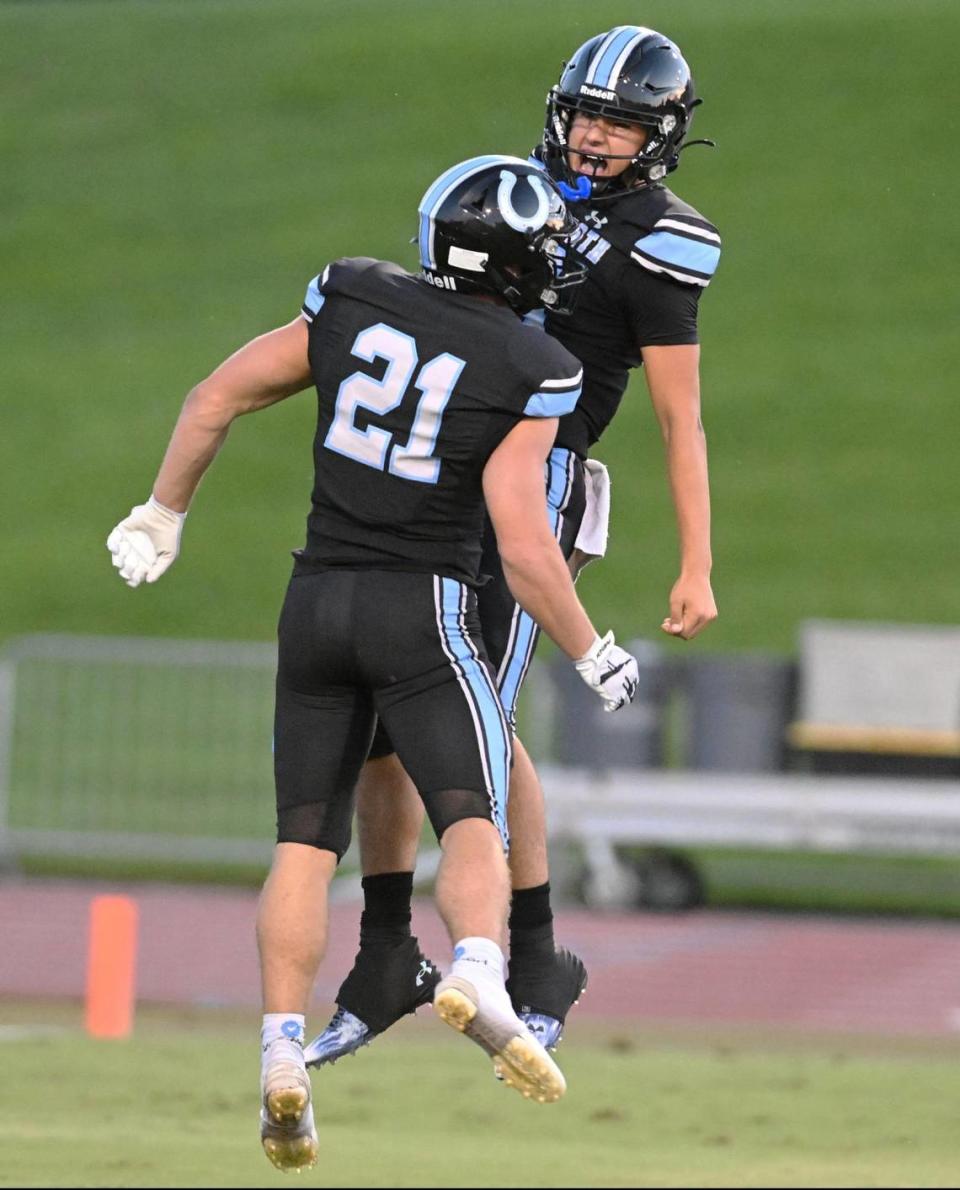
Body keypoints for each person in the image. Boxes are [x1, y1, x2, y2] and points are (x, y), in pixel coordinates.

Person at [106, 155, 640, 1172]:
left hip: (314, 602)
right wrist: (591, 645)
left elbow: (216, 396)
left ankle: (279, 1049)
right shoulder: (532, 363)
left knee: (304, 846)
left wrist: (160, 511)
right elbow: (526, 549)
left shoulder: (353, 294)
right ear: (526, 261)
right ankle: (481, 966)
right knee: (474, 803)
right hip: (421, 609)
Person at [307, 25, 721, 1067]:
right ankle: (393, 948)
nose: (591, 138)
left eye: (618, 125)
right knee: (400, 716)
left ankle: (523, 955)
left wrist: (696, 558)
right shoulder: (514, 188)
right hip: (443, 463)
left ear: (659, 137)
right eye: (585, 114)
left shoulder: (665, 240)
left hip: (538, 477)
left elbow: (681, 417)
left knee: (465, 714)